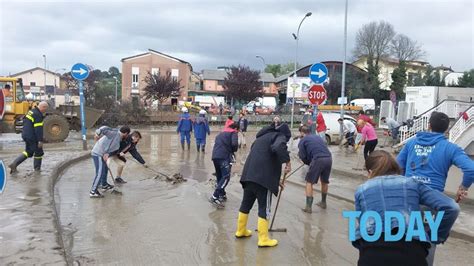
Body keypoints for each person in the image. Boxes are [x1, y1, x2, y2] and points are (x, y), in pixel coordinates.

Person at [353, 150, 459, 266]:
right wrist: (436, 235)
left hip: (372, 255)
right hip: (411, 253)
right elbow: (452, 208)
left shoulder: (362, 190)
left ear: (370, 172)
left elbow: (363, 224)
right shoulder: (412, 184)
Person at [397, 111, 474, 265]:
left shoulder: (411, 143)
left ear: (429, 125)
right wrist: (462, 187)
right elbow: (470, 169)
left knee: (401, 238)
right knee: (427, 239)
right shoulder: (450, 148)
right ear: (446, 129)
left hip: (406, 196)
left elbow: (397, 167)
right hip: (431, 202)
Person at [235, 121, 291, 247]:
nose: (285, 142)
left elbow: (263, 159)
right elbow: (278, 147)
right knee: (264, 208)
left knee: (246, 204)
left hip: (248, 176)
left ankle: (241, 231)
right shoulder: (279, 136)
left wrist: (276, 181)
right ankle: (263, 239)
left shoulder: (261, 138)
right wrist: (287, 161)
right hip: (262, 181)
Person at [298, 125, 333, 212]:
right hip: (328, 158)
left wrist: (308, 162)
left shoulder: (302, 141)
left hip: (318, 159)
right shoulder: (317, 137)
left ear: (302, 133)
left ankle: (308, 207)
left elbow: (303, 156)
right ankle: (323, 202)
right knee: (324, 181)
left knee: (309, 182)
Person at [89, 126, 130, 198]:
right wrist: (97, 133)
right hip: (98, 153)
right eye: (127, 135)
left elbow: (113, 149)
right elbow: (104, 128)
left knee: (105, 169)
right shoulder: (114, 133)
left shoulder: (119, 140)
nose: (127, 136)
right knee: (100, 172)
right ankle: (93, 192)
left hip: (103, 154)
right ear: (126, 133)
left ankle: (104, 185)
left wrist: (108, 154)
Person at [8, 101, 49, 173]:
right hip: (32, 136)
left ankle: (14, 164)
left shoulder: (31, 111)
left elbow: (25, 122)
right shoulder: (37, 115)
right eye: (45, 109)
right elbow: (38, 129)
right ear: (43, 107)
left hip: (26, 135)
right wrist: (40, 140)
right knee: (39, 152)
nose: (45, 111)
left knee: (29, 152)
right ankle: (37, 170)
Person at [209, 122, 239, 208]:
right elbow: (234, 144)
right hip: (224, 157)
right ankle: (215, 196)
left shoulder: (221, 133)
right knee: (226, 177)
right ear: (236, 128)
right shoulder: (234, 133)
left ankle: (222, 194)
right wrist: (233, 150)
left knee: (219, 176)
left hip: (215, 156)